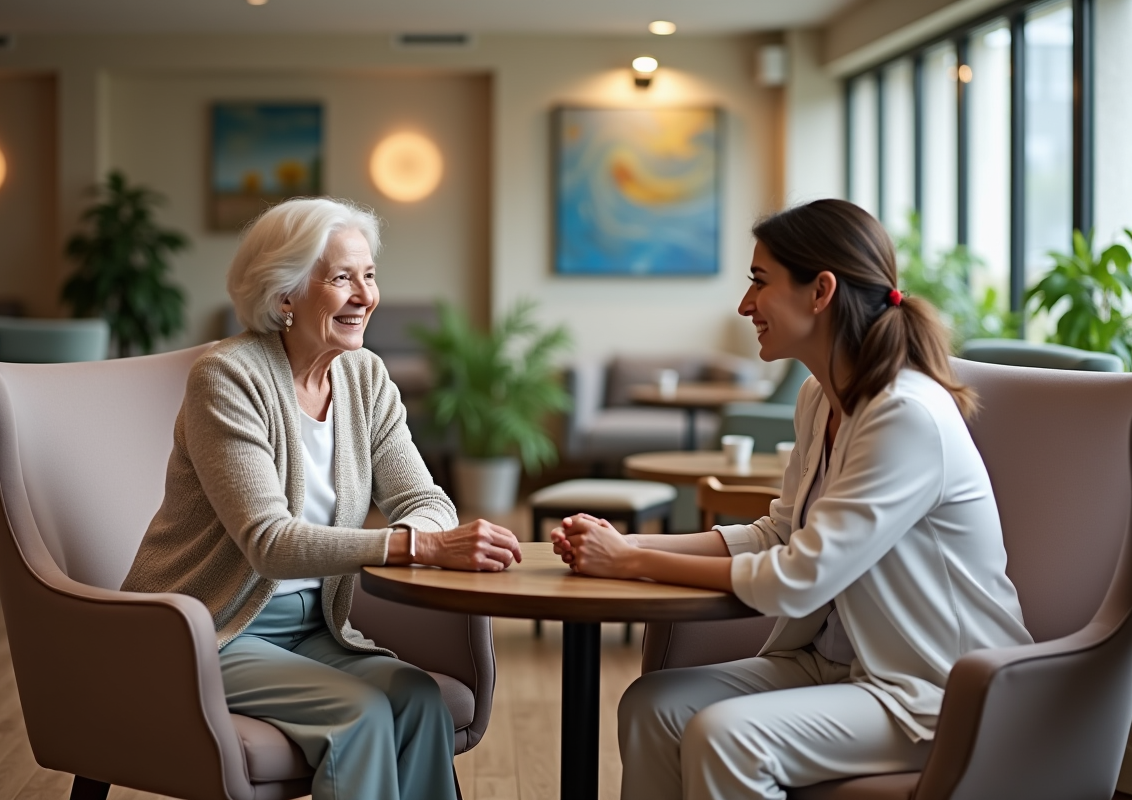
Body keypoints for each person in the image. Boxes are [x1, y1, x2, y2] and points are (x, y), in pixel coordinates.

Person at [551, 199, 1032, 800]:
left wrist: (629, 563)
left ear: (820, 291)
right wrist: (632, 541)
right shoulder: (819, 398)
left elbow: (798, 578)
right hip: (838, 665)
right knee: (655, 705)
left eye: (759, 282)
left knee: (728, 736)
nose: (744, 304)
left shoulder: (904, 415)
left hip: (938, 689)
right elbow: (779, 535)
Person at [122, 197, 523, 800]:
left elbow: (424, 496)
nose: (365, 295)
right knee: (356, 715)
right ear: (284, 294)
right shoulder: (228, 377)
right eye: (341, 278)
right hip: (213, 627)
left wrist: (428, 534)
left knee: (417, 700)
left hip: (319, 624)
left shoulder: (364, 377)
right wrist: (420, 546)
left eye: (369, 275)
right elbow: (269, 544)